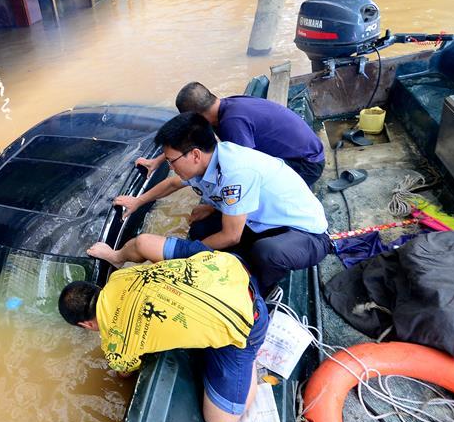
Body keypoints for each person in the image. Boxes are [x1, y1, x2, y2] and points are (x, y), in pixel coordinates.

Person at [58, 234, 268, 422]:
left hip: (251, 319)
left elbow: (125, 372)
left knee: (221, 421)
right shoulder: (119, 277)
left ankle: (250, 356)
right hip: (230, 265)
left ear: (86, 325)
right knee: (144, 244)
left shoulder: (115, 344)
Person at [111, 112, 331, 296]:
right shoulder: (209, 159)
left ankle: (261, 292)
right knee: (201, 228)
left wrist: (185, 256)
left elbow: (231, 236)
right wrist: (138, 201)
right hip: (261, 222)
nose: (170, 167)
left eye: (171, 161)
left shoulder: (235, 171)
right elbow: (172, 184)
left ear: (195, 155)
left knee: (266, 252)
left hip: (305, 235)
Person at [139, 82, 326, 187]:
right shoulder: (224, 106)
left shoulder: (232, 124)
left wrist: (214, 205)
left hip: (306, 165)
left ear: (196, 116)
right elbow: (188, 137)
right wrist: (158, 161)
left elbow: (244, 169)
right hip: (307, 151)